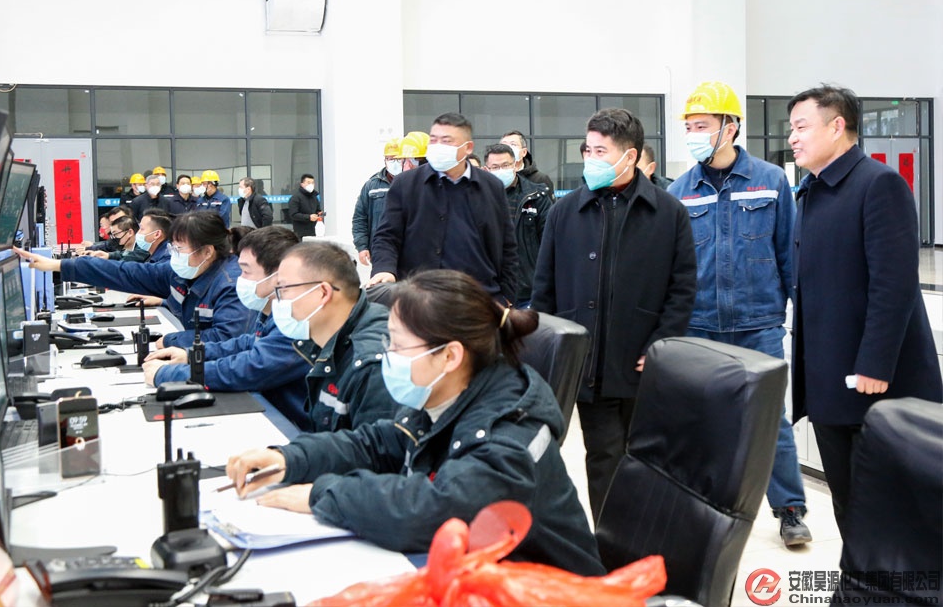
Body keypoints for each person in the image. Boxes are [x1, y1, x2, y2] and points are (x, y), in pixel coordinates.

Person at [225, 270, 605, 576]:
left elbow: (437, 511)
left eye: (397, 345)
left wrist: (322, 495)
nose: (387, 355)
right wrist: (290, 458)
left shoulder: (508, 430)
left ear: (450, 356)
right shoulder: (448, 392)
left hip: (546, 590)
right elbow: (378, 443)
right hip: (481, 577)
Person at [788, 84, 943, 534]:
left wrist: (874, 363)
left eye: (802, 127)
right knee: (850, 505)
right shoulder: (812, 192)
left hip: (874, 385)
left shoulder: (878, 184)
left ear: (837, 126)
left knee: (890, 514)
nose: (792, 138)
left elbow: (893, 285)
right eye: (791, 128)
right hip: (829, 382)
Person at [532, 107, 697, 519]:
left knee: (644, 458)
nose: (590, 159)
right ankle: (609, 542)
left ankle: (642, 534)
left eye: (600, 151)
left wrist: (661, 342)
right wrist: (549, 350)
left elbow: (682, 286)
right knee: (603, 456)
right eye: (587, 150)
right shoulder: (565, 211)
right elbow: (544, 287)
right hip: (587, 363)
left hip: (642, 359)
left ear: (630, 156)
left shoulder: (668, 212)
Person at [668, 80, 811, 547]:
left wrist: (799, 316)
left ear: (730, 127)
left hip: (758, 324)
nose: (693, 134)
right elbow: (675, 267)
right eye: (689, 127)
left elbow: (789, 254)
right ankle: (706, 508)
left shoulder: (770, 181)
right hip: (700, 326)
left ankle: (790, 510)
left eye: (702, 126)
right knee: (703, 419)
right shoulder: (679, 191)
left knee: (771, 422)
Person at [143, 226, 311, 430]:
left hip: (295, 429)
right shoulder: (274, 309)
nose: (240, 278)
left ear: (278, 276)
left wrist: (169, 374)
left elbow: (251, 368)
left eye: (246, 271)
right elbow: (248, 343)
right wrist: (192, 355)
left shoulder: (298, 320)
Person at [13, 212, 253, 349]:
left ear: (207, 251)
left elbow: (226, 340)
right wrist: (60, 266)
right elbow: (126, 272)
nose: (175, 255)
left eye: (180, 249)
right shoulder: (181, 271)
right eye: (173, 247)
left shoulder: (231, 285)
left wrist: (170, 341)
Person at [369, 113, 519, 303]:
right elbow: (387, 236)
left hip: (479, 299)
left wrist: (507, 297)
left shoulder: (491, 187)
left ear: (467, 148)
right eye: (434, 140)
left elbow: (507, 246)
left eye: (447, 141)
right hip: (421, 300)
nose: (438, 146)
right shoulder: (405, 184)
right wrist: (385, 269)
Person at [264, 241, 396, 430]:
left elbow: (370, 447)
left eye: (283, 289)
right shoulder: (322, 339)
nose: (276, 299)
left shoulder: (371, 365)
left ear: (323, 293)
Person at [483, 143, 552, 308]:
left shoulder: (536, 196)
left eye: (505, 165)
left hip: (527, 292)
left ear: (515, 165)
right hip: (489, 291)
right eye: (495, 167)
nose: (501, 170)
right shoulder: (477, 197)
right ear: (486, 170)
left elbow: (550, 243)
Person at [352, 138, 402, 267]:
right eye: (390, 159)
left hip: (407, 250)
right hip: (380, 250)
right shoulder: (372, 185)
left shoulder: (413, 182)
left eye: (398, 159)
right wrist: (362, 247)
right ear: (385, 160)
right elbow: (360, 218)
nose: (394, 163)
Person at [501, 130, 555, 199]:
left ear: (524, 152)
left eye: (513, 144)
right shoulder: (495, 176)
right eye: (504, 145)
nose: (508, 148)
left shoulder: (540, 179)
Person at [287, 173, 323, 238]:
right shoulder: (295, 198)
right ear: (302, 184)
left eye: (312, 183)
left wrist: (319, 213)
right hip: (301, 233)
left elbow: (318, 210)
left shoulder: (314, 197)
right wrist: (309, 217)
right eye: (308, 182)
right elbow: (293, 214)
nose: (311, 185)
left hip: (314, 232)